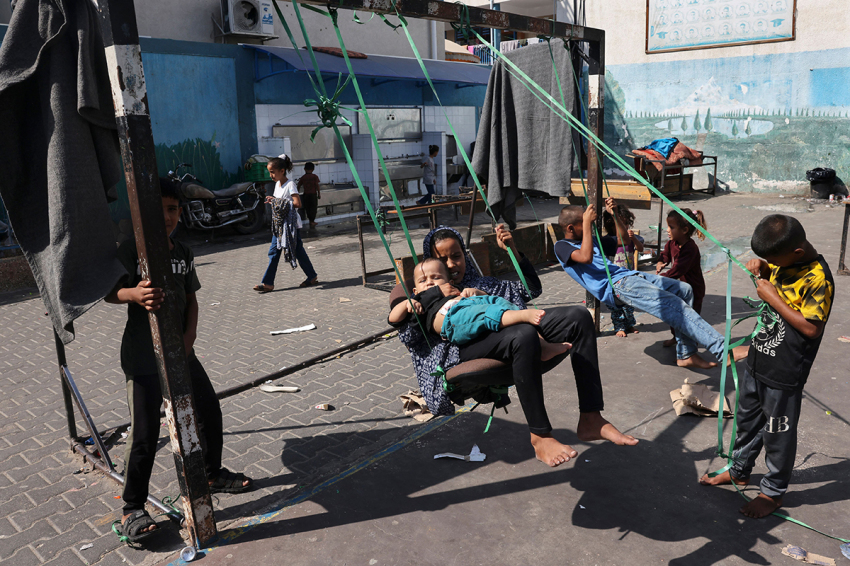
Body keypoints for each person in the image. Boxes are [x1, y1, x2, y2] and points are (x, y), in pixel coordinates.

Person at [390, 225, 638, 468]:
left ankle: (591, 418)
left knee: (578, 316)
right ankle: (540, 435)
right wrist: (436, 293)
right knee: (523, 332)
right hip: (460, 351)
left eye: (456, 256)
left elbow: (530, 288)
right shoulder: (422, 297)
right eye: (442, 259)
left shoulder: (481, 284)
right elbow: (407, 332)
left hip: (510, 332)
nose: (452, 264)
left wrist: (513, 251)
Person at [105, 179, 252, 543]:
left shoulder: (183, 252)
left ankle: (211, 473)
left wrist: (190, 339)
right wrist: (133, 293)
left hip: (182, 352)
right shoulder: (130, 251)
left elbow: (193, 299)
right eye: (158, 210)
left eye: (172, 209)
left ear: (179, 213)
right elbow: (109, 292)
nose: (167, 216)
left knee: (208, 410)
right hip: (142, 358)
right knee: (144, 433)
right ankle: (132, 507)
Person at [700, 215, 834, 518]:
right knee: (746, 422)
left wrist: (773, 299)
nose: (772, 264)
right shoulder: (787, 262)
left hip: (785, 373)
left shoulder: (818, 279)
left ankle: (772, 493)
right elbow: (776, 268)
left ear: (796, 252)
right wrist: (764, 267)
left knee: (777, 434)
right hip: (757, 360)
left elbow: (812, 329)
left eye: (774, 259)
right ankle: (739, 470)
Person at [555, 199, 726, 369]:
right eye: (584, 223)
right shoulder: (562, 246)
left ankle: (686, 354)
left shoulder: (591, 239)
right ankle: (723, 348)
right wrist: (587, 224)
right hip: (616, 285)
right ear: (570, 228)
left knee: (684, 290)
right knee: (672, 303)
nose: (590, 226)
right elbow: (586, 257)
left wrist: (614, 215)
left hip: (630, 275)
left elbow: (624, 240)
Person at [388, 258, 570, 360]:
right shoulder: (417, 301)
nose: (429, 282)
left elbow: (488, 299)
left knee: (497, 302)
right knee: (482, 314)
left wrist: (476, 293)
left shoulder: (453, 291)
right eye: (422, 281)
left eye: (436, 278)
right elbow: (393, 319)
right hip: (452, 320)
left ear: (449, 282)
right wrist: (406, 304)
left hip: (464, 307)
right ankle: (522, 316)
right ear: (414, 290)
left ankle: (542, 344)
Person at [253, 155, 318, 292]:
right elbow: (280, 201)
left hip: (290, 226)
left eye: (272, 172)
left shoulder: (290, 184)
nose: (270, 175)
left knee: (297, 252)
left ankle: (311, 276)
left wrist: (278, 202)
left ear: (282, 171)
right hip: (279, 225)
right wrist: (273, 200)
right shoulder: (277, 184)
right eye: (269, 172)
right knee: (275, 252)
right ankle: (268, 283)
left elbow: (297, 203)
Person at [657, 208, 708, 348]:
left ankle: (690, 346)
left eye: (671, 227)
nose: (667, 230)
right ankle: (676, 338)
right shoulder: (672, 243)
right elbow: (665, 254)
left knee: (690, 319)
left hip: (694, 290)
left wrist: (660, 279)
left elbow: (678, 269)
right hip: (680, 288)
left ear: (685, 230)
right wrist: (662, 261)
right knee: (675, 315)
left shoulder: (690, 249)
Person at [601, 202, 644, 337]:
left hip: (629, 277)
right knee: (616, 306)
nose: (624, 227)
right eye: (620, 224)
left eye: (626, 224)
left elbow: (641, 248)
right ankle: (619, 327)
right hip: (614, 279)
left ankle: (630, 325)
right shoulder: (608, 241)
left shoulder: (632, 239)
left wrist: (633, 240)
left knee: (629, 304)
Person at [296, 161, 321, 230]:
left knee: (308, 208)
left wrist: (296, 194)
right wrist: (319, 193)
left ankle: (310, 220)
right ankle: (312, 221)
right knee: (313, 208)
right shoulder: (314, 177)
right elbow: (317, 185)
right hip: (313, 194)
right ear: (313, 169)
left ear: (304, 169)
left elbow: (298, 185)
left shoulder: (303, 177)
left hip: (306, 195)